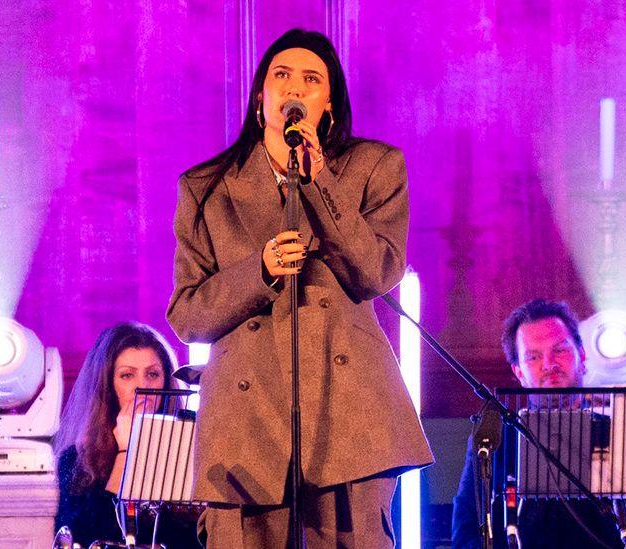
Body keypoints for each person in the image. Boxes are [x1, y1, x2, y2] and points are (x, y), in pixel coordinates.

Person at [166, 28, 433, 547]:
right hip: (246, 420)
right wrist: (258, 272)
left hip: (350, 413)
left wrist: (318, 182)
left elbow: (377, 271)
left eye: (311, 80)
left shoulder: (374, 167)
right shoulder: (206, 188)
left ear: (328, 103)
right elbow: (187, 313)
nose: (294, 88)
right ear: (260, 99)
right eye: (281, 76)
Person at [451, 299, 626, 548]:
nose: (549, 364)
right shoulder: (495, 441)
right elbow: (467, 531)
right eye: (533, 357)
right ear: (518, 373)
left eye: (559, 350)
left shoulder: (625, 435)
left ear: (581, 356)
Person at [52, 322, 199, 548]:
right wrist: (125, 450)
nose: (142, 386)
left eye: (153, 374)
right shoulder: (77, 460)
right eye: (127, 375)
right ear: (107, 385)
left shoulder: (191, 448)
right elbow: (95, 535)